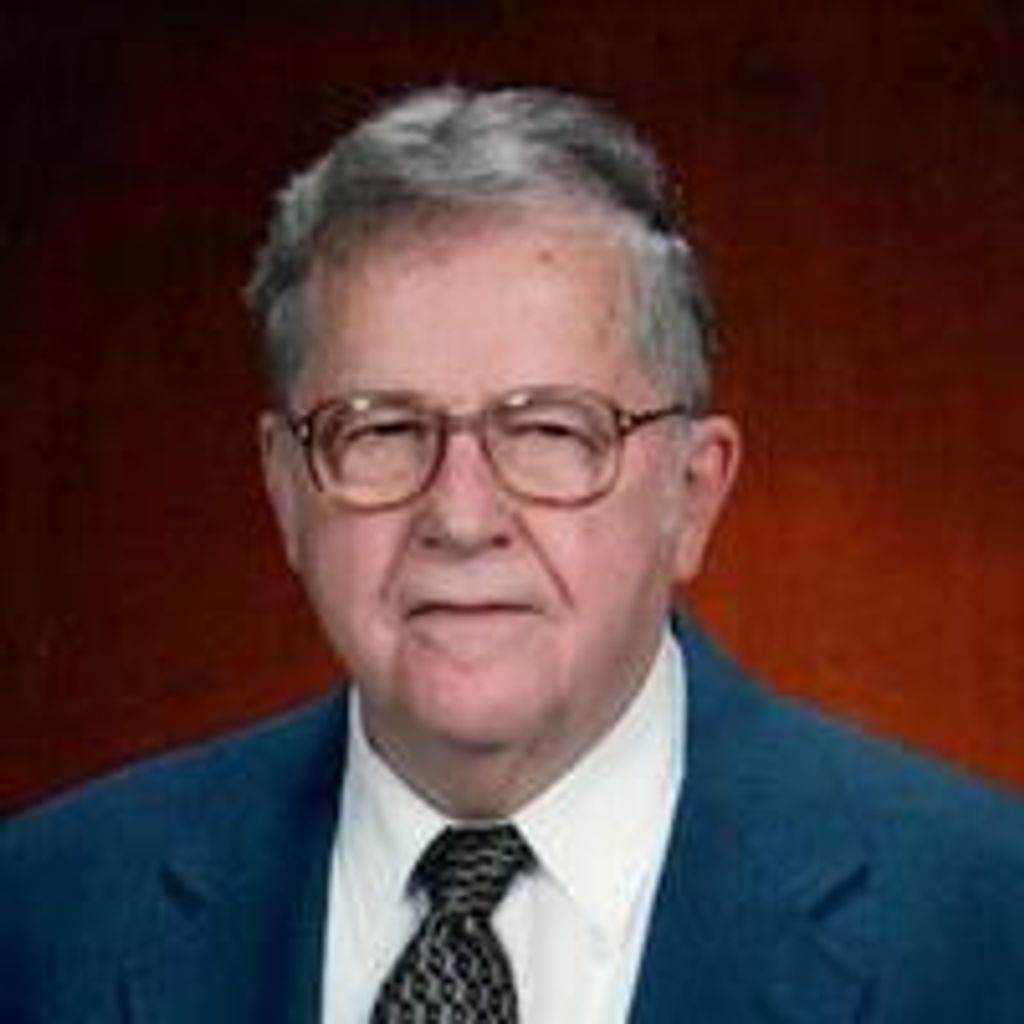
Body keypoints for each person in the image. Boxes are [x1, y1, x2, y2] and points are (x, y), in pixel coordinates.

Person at [2, 85, 1022, 1024]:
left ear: (693, 494)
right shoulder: (43, 912)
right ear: (286, 489)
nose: (460, 515)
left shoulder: (986, 923)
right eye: (382, 428)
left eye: (548, 430)